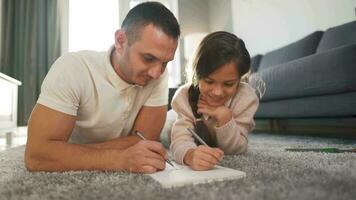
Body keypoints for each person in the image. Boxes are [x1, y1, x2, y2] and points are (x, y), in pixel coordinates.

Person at [25, 2, 180, 173]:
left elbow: (146, 139)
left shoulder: (158, 75)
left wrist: (68, 152)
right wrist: (119, 159)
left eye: (165, 63)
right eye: (148, 58)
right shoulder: (73, 68)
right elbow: (37, 155)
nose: (156, 73)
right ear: (120, 41)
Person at [169, 31, 259, 171]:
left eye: (228, 84)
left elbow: (237, 149)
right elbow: (179, 141)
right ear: (197, 76)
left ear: (240, 79)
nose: (217, 92)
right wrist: (190, 154)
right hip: (170, 122)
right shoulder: (184, 97)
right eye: (209, 81)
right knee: (166, 126)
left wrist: (225, 117)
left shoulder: (246, 98)